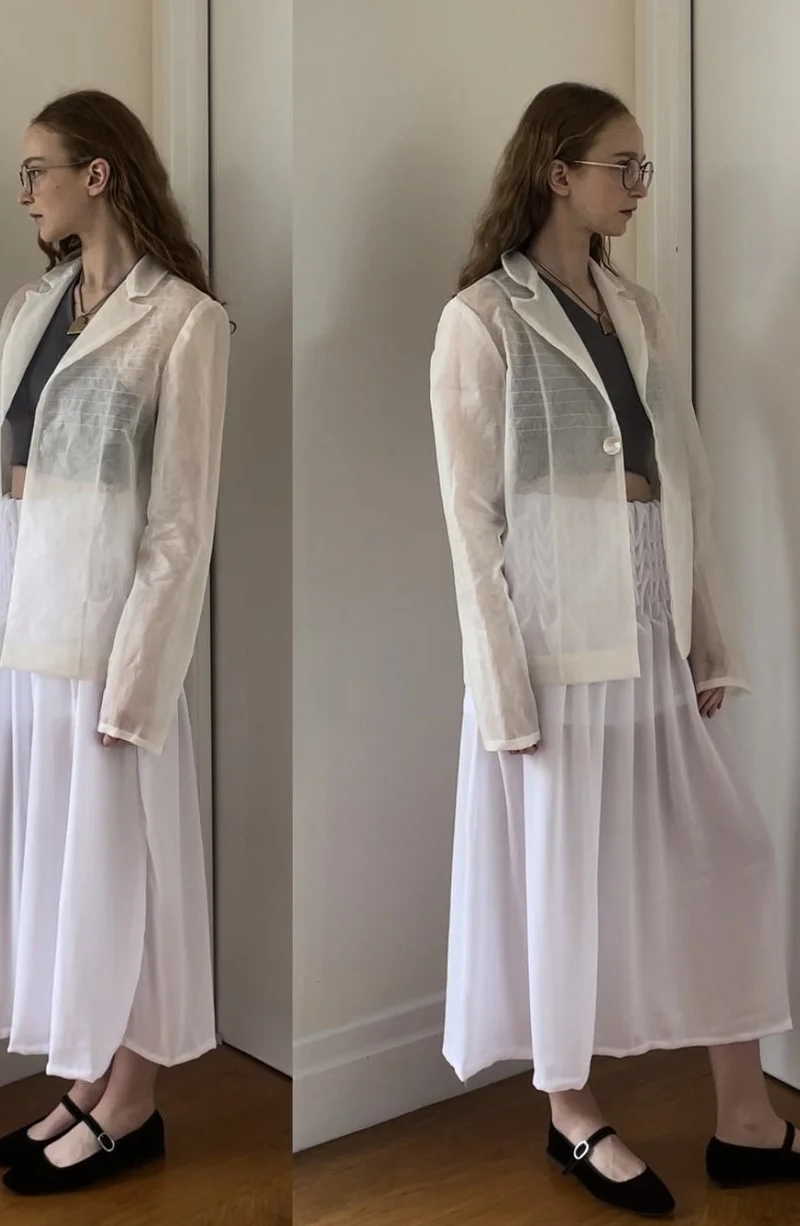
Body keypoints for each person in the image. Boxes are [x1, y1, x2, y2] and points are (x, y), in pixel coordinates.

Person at [429, 81, 797, 1217]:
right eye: (622, 166)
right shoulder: (481, 319)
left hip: (646, 619)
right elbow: (470, 523)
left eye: (643, 167)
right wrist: (502, 691)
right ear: (559, 173)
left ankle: (744, 1116)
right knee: (562, 883)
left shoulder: (637, 311)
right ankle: (571, 1113)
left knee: (729, 857)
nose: (639, 186)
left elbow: (683, 483)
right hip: (549, 642)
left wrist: (706, 641)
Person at [0, 88, 228, 1197]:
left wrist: (136, 683)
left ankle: (133, 1101)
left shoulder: (185, 323)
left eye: (34, 171)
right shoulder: (30, 308)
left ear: (96, 174)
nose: (23, 193)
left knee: (121, 874)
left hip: (104, 648)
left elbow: (180, 525)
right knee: (55, 876)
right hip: (19, 635)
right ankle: (89, 1078)